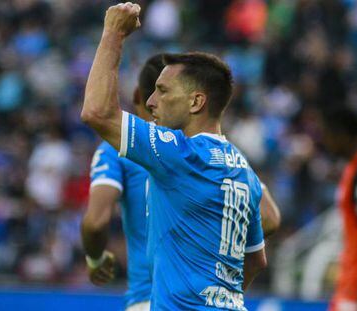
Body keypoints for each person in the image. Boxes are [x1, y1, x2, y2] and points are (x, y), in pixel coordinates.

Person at [81, 3, 270, 309]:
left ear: (196, 102)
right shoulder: (244, 170)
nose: (152, 102)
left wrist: (113, 33)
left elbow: (96, 113)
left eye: (163, 91)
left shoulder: (179, 153)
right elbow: (257, 259)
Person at [81, 54, 165, 311]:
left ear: (139, 95)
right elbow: (268, 217)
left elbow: (96, 223)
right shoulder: (206, 149)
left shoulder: (118, 149)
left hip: (150, 298)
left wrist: (95, 259)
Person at [321, 108, 357, 311]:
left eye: (327, 135)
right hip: (349, 284)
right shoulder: (354, 168)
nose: (326, 142)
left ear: (342, 134)